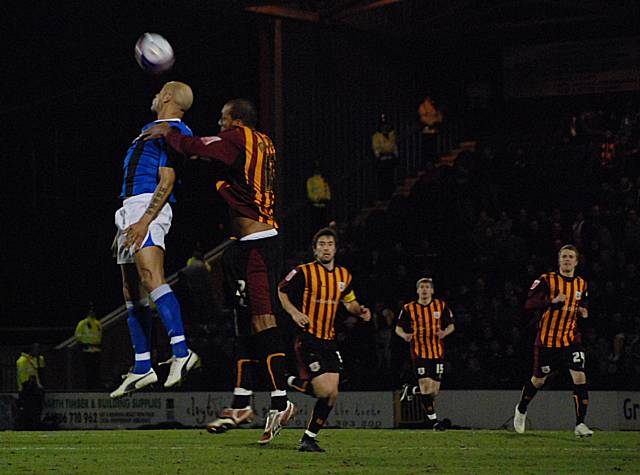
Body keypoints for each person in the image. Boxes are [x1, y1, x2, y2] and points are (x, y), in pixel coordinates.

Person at [144, 98, 295, 445]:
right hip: (242, 245)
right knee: (243, 323)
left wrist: (168, 132)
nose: (219, 124)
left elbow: (199, 145)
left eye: (222, 118)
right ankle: (242, 403)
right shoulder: (262, 141)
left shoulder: (239, 137)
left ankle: (281, 402)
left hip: (258, 244)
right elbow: (222, 165)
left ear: (236, 121)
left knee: (263, 321)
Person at [110, 81, 200, 399]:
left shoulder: (176, 130)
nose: (153, 93)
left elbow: (168, 178)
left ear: (166, 98)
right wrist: (125, 222)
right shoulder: (155, 127)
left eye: (159, 89)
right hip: (130, 207)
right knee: (131, 287)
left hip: (147, 206)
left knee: (151, 277)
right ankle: (142, 367)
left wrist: (144, 220)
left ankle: (182, 352)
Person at [278, 227, 371, 452]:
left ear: (335, 248)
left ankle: (308, 438)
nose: (326, 248)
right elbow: (282, 290)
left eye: (330, 244)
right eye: (321, 244)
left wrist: (360, 311)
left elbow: (349, 302)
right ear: (315, 250)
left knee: (333, 393)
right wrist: (294, 313)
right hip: (308, 337)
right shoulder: (303, 271)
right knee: (322, 391)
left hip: (329, 340)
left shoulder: (344, 276)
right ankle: (288, 381)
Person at [513, 244, 593, 437]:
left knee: (580, 377)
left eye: (570, 257)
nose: (567, 259)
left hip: (571, 339)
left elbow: (583, 303)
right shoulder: (546, 280)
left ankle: (580, 424)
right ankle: (521, 408)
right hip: (547, 341)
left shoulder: (581, 284)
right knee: (538, 381)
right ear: (559, 260)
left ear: (576, 261)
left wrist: (584, 311)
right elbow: (529, 303)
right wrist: (551, 302)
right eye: (564, 256)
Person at [395, 278, 455, 431]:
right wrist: (405, 336)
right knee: (426, 387)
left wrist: (444, 333)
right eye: (421, 287)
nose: (424, 290)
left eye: (427, 287)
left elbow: (451, 326)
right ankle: (435, 422)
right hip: (419, 352)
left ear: (432, 291)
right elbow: (398, 328)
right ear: (417, 290)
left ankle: (412, 390)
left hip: (437, 352)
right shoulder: (409, 308)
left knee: (433, 392)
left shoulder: (440, 306)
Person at [16, 343, 45, 430]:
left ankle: (34, 425)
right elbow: (22, 375)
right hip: (27, 388)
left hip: (32, 386)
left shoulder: (32, 359)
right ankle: (27, 426)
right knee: (28, 408)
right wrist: (25, 385)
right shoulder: (22, 360)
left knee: (35, 408)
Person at [74, 303, 103, 390]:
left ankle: (95, 387)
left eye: (94, 311)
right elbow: (78, 337)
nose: (93, 312)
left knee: (96, 371)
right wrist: (83, 346)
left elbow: (100, 336)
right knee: (88, 371)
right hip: (87, 351)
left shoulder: (98, 324)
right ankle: (88, 387)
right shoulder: (83, 323)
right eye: (91, 311)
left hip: (96, 350)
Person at [371, 113, 399, 201]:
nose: (385, 127)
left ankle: (390, 193)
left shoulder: (391, 135)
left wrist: (396, 154)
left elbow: (394, 145)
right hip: (382, 160)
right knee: (382, 179)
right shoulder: (376, 136)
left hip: (390, 159)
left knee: (390, 178)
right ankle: (383, 196)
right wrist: (379, 155)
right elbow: (376, 148)